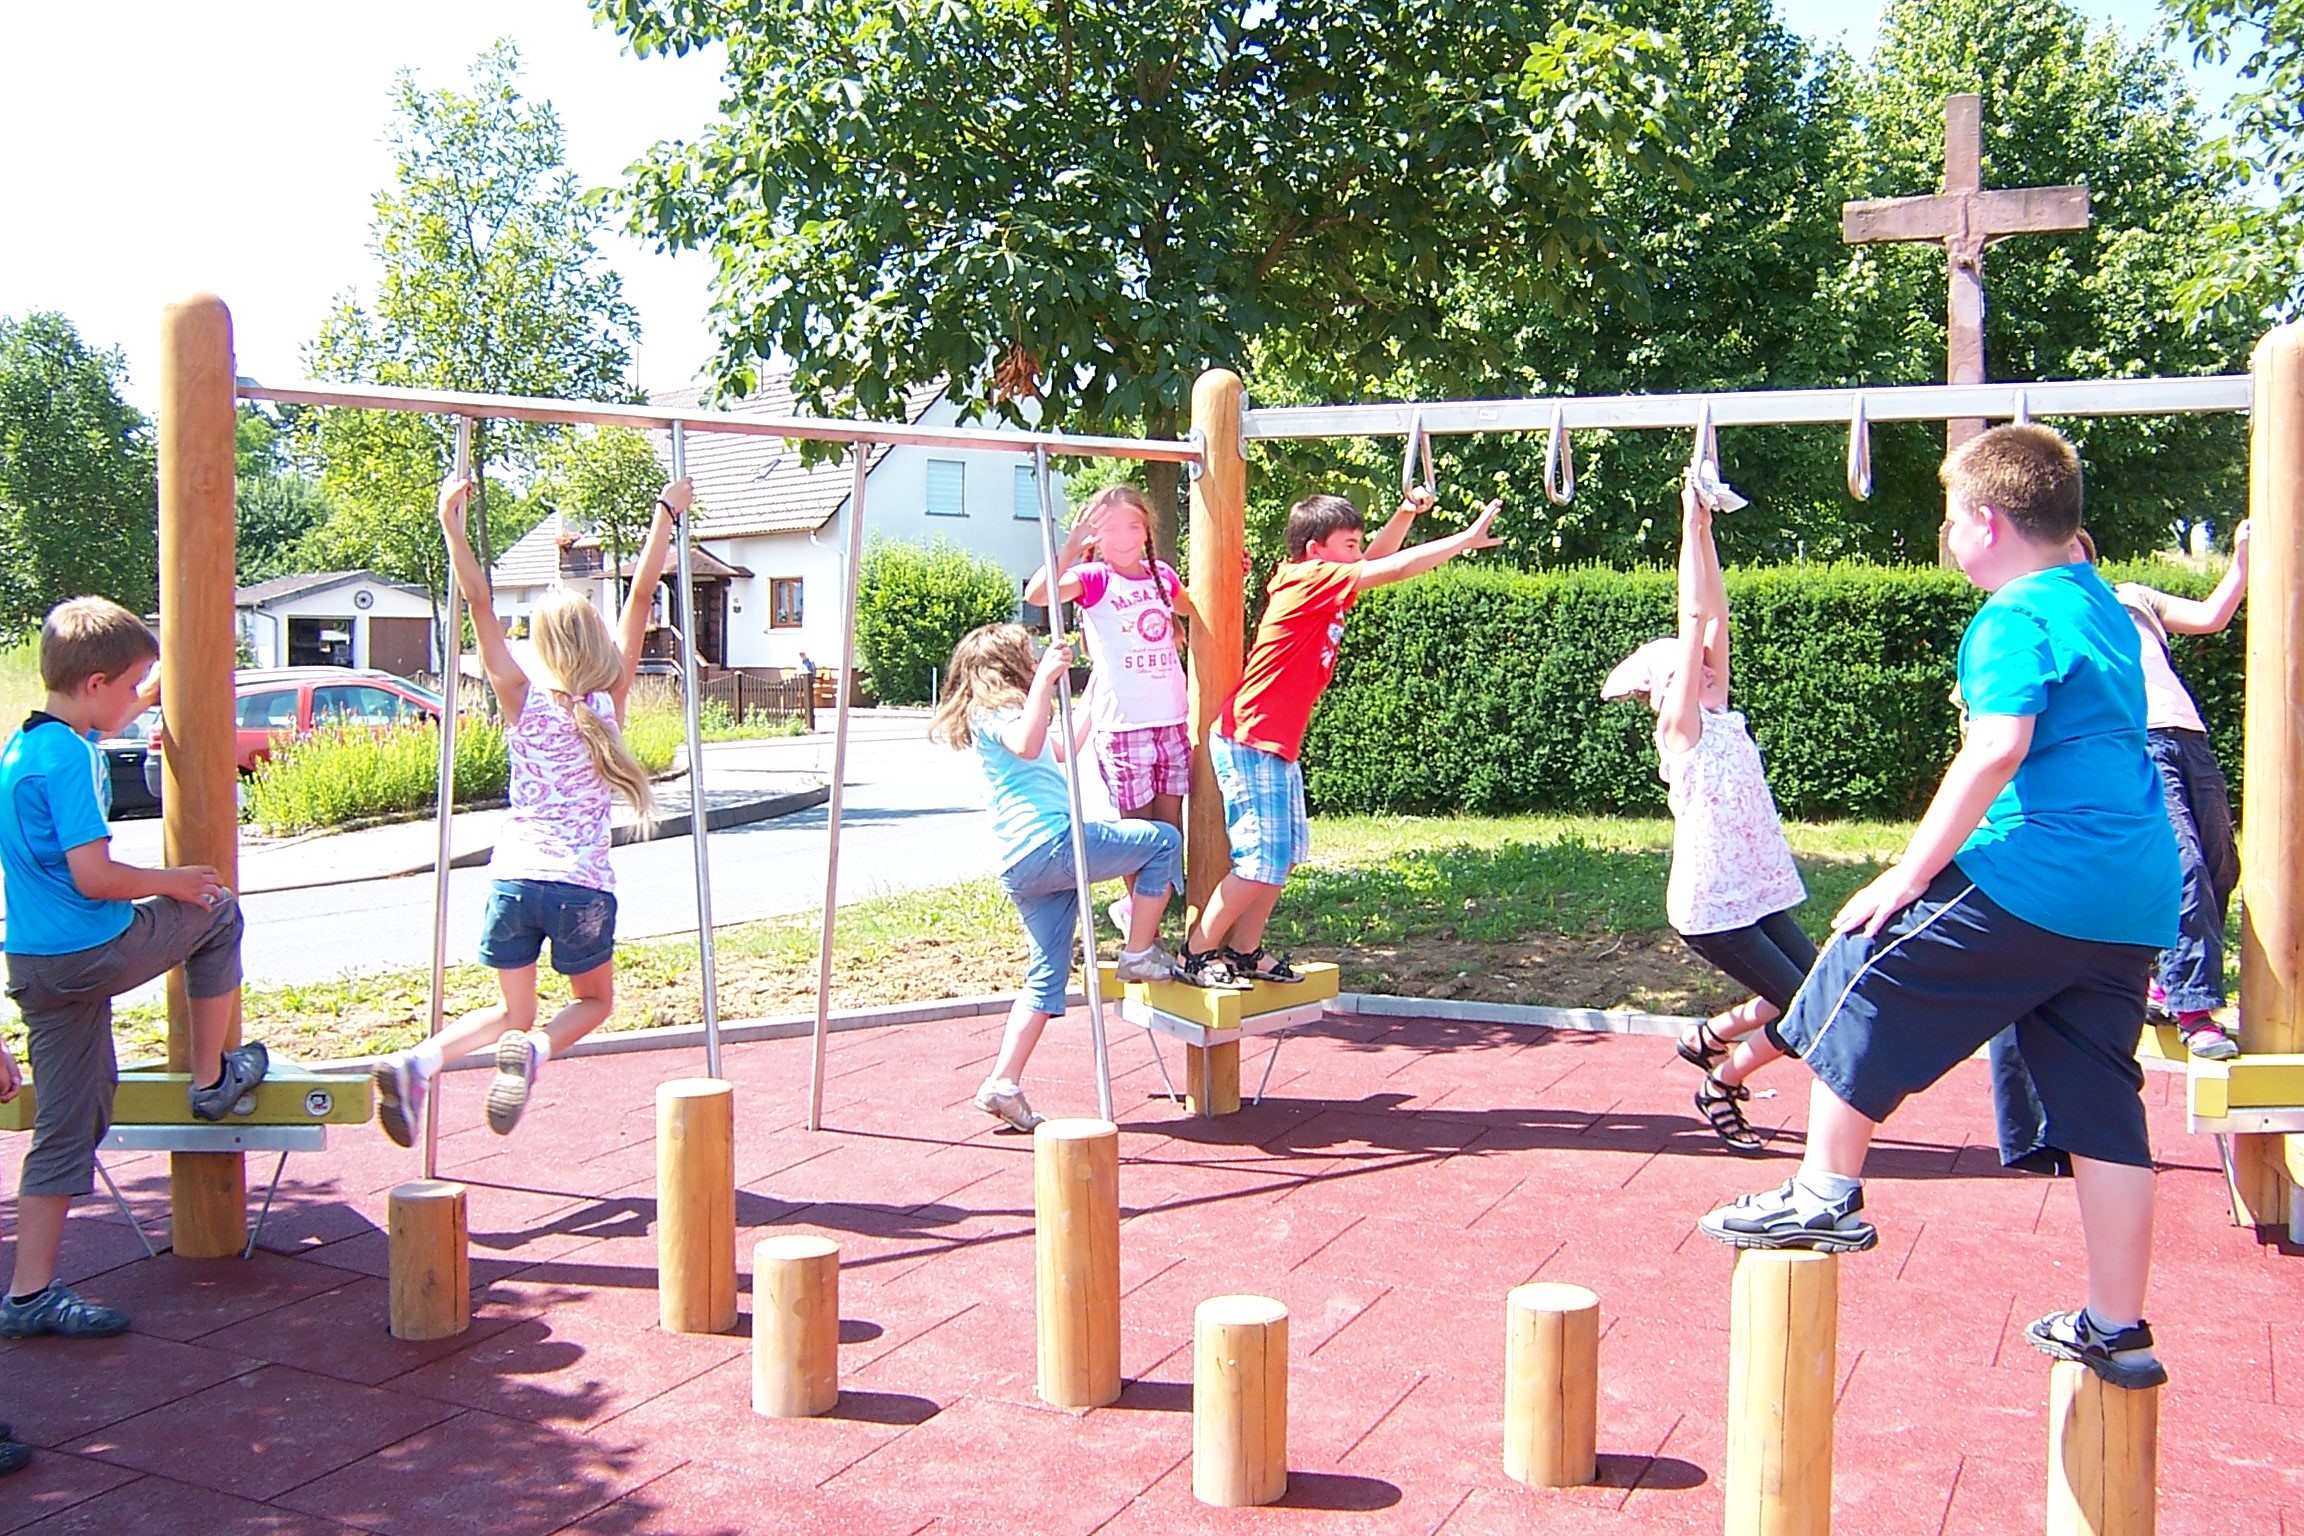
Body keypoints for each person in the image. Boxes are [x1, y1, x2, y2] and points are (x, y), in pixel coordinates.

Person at [1699, 424, 2180, 1392]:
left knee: (1857, 960)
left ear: (1986, 522)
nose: (1947, 536)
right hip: (2132, 895)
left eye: (1950, 518)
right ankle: (2115, 1324)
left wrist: (1907, 876)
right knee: (2099, 1103)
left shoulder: (2012, 613)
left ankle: (1824, 1194)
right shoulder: (2096, 600)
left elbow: (1996, 746)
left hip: (2040, 872)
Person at [370, 471, 690, 1146]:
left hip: (512, 878)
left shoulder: (518, 696)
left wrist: (451, 527)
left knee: (511, 1010)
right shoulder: (612, 697)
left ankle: (418, 1062)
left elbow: (481, 605)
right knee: (593, 1002)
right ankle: (537, 1053)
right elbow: (638, 593)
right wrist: (667, 509)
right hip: (580, 885)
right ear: (598, 644)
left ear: (540, 647)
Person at [0, 598, 261, 1340]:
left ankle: (29, 1296)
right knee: (217, 911)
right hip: (91, 949)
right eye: (131, 687)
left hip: (37, 968)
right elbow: (92, 874)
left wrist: (155, 684)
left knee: (68, 1123)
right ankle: (212, 1079)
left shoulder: (22, 748)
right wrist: (174, 880)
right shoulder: (70, 758)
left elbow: (109, 701)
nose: (136, 700)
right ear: (93, 685)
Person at [1177, 486, 1506, 988]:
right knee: (1259, 859)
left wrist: (1404, 514)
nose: (1358, 553)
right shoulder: (1307, 579)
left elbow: (1376, 560)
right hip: (1250, 737)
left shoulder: (1324, 579)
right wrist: (1461, 540)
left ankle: (1245, 951)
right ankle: (1196, 954)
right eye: (1348, 545)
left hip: (1277, 742)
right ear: (1316, 550)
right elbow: (1389, 569)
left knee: (1281, 859)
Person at [1602, 475, 1809, 1152]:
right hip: (1713, 905)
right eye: (1696, 668)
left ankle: (1711, 1037)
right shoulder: (1682, 732)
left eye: (1714, 663)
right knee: (1811, 1013)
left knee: (1814, 993)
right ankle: (1721, 1081)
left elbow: (1712, 617)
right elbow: (1696, 621)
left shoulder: (1721, 716)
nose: (1713, 666)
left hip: (1757, 890)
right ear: (1669, 690)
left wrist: (1703, 529)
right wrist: (1687, 528)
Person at [931, 624, 1182, 1131]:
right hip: (1048, 844)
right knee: (1163, 842)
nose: (1034, 661)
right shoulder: (993, 712)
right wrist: (1045, 679)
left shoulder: (1013, 712)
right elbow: (1026, 745)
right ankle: (1138, 950)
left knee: (1046, 977)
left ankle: (1003, 1082)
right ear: (1006, 667)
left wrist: (1100, 680)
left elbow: (1063, 747)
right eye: (1027, 657)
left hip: (1026, 866)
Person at [2109, 523, 2249, 1058]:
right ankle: (2195, 1010)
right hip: (2136, 739)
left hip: (2186, 733)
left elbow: (2211, 618)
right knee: (2182, 863)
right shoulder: (2056, 609)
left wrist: (2241, 559)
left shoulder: (2131, 597)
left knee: (2220, 864)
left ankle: (2166, 979)